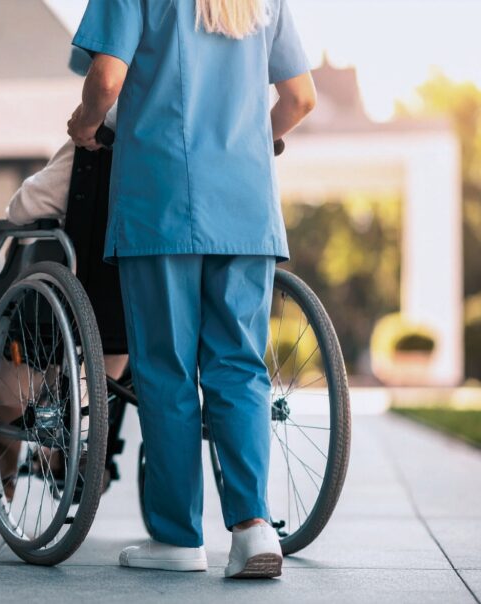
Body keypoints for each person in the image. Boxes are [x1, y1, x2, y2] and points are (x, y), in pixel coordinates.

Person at [66, 0, 317, 579]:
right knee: (239, 365)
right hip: (247, 203)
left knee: (167, 369)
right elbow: (300, 98)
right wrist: (261, 139)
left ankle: (178, 537)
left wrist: (84, 123)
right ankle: (253, 530)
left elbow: (106, 78)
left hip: (163, 201)